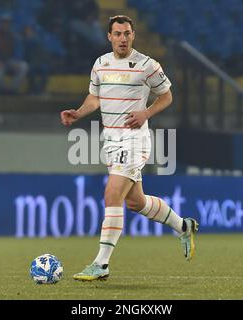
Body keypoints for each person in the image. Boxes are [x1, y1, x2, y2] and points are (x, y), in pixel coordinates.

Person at [60, 15, 199, 282]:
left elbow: (167, 95)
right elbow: (95, 97)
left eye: (127, 33)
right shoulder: (100, 64)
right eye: (117, 34)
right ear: (109, 37)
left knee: (112, 193)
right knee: (136, 201)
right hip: (110, 142)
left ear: (133, 36)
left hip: (134, 140)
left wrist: (146, 113)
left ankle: (101, 264)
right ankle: (184, 226)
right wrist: (78, 113)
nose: (122, 38)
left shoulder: (147, 65)